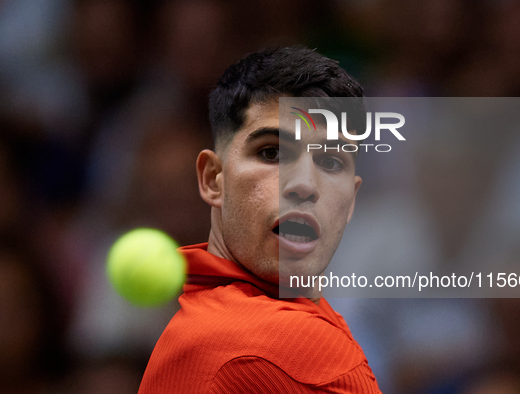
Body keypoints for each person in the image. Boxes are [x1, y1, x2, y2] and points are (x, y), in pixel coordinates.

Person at [138, 46, 381, 393]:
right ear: (213, 179)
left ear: (351, 200)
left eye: (330, 162)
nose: (304, 185)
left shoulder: (213, 320)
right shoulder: (271, 350)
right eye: (272, 152)